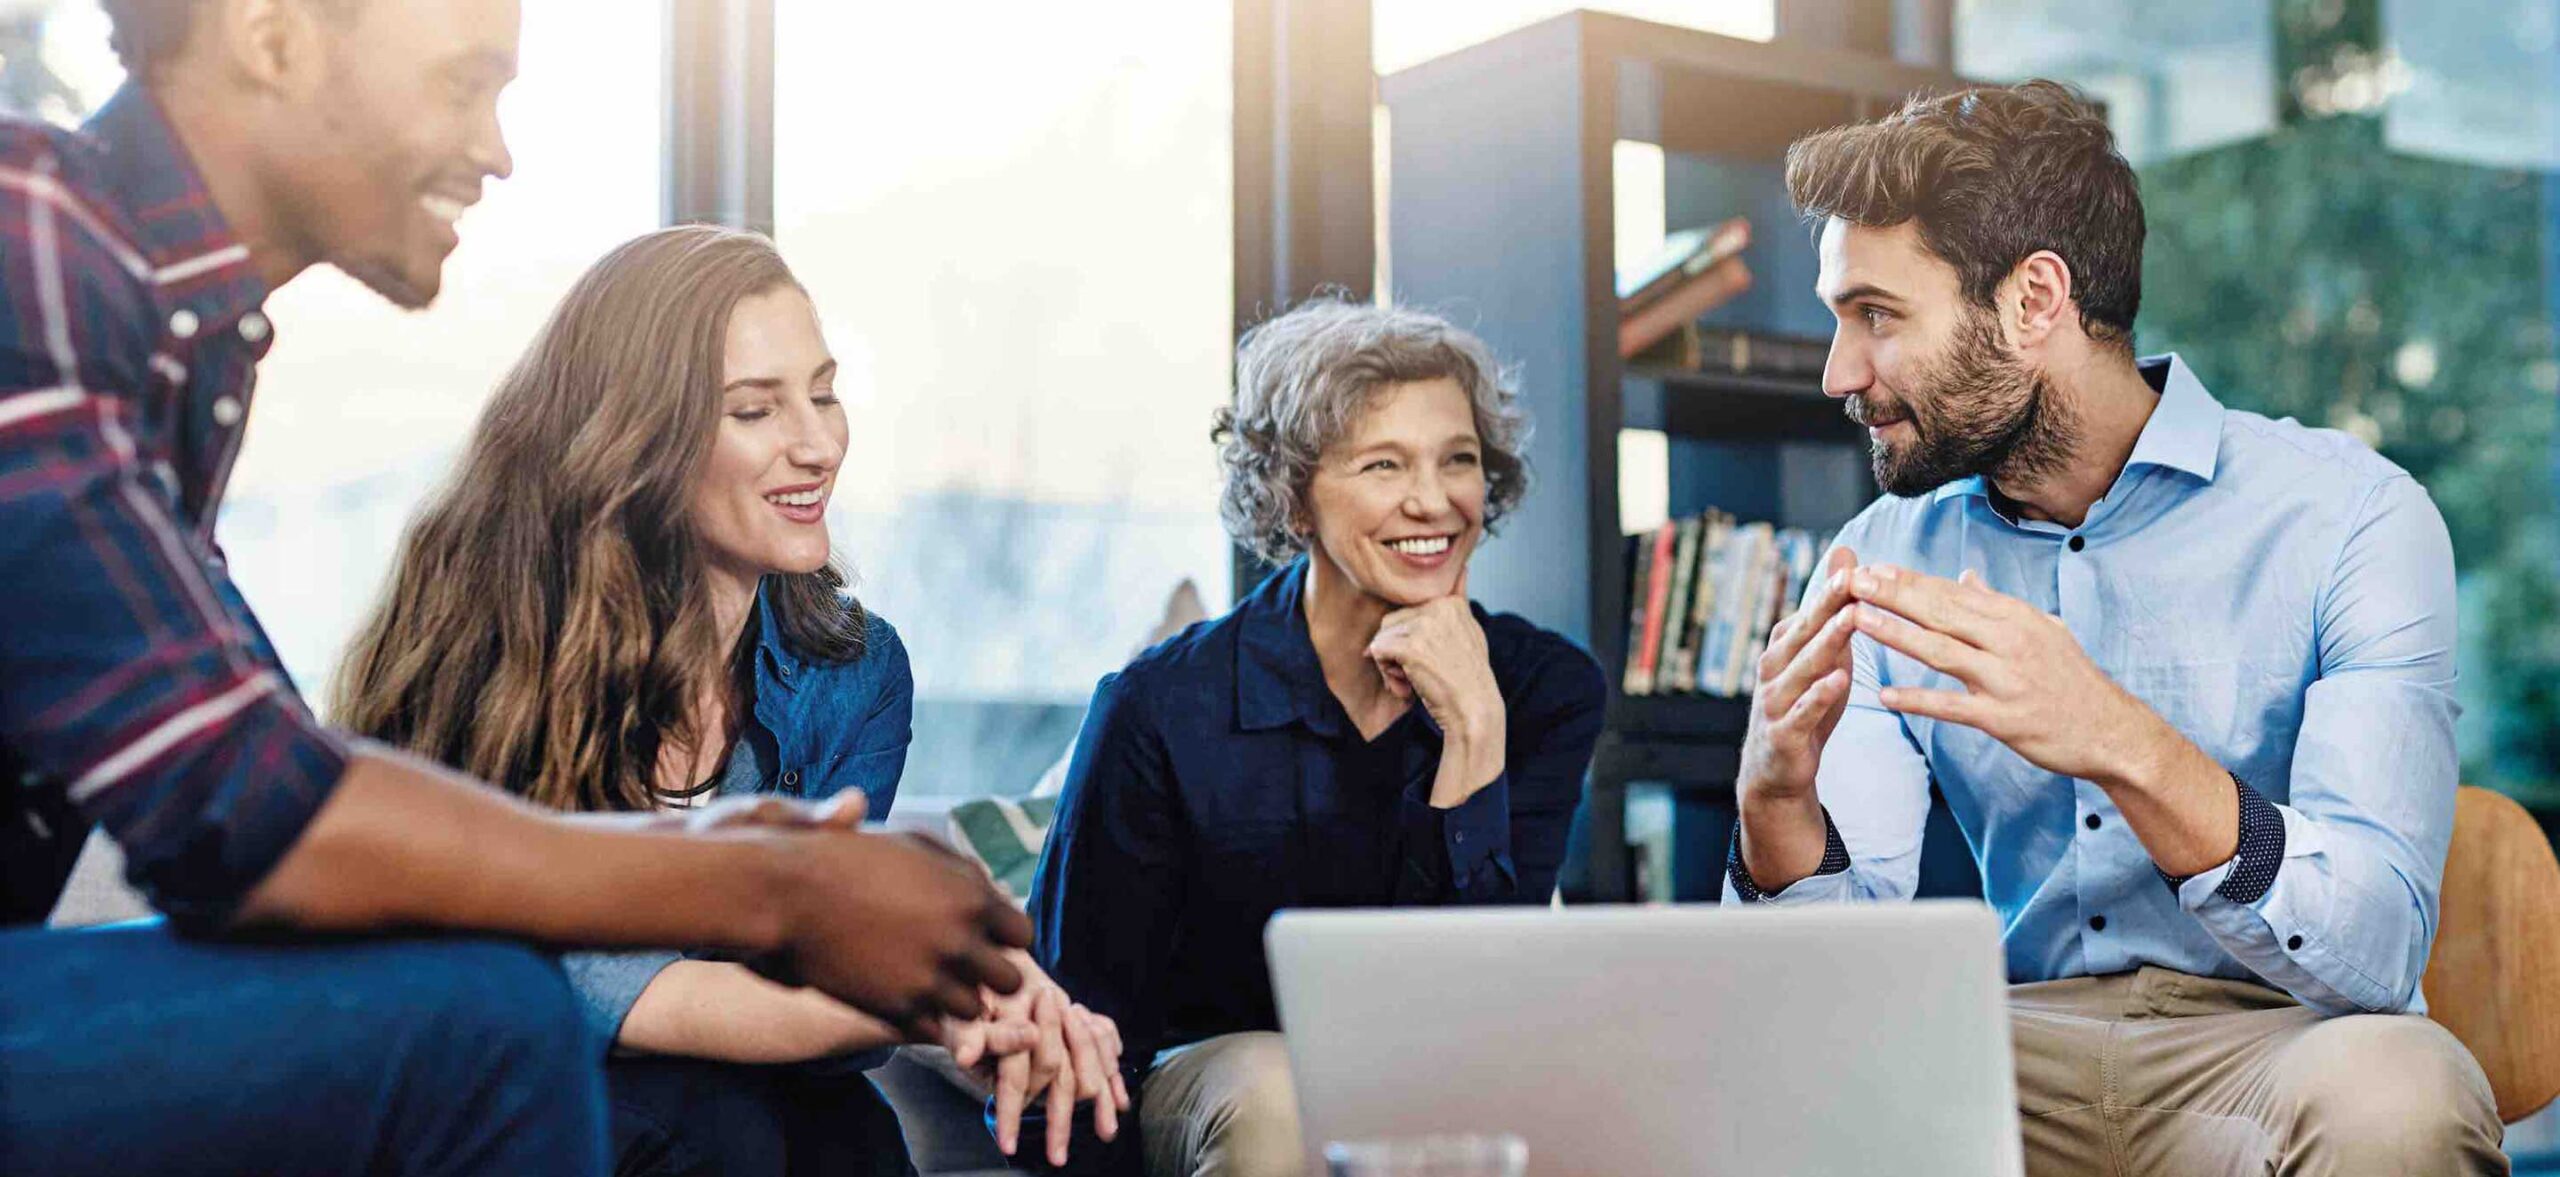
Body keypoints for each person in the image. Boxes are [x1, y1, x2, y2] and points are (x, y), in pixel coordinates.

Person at [0, 3, 1026, 1173]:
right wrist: (768, 876)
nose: (495, 151)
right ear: (270, 36)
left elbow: (250, 785)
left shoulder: (174, 338)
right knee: (491, 1022)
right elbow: (246, 815)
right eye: (460, 84)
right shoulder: (34, 242)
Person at [1726, 80, 2505, 1175]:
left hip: (2275, 1044)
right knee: (1760, 1087)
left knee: (2401, 1099)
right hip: (2008, 1049)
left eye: (1877, 315)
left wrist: (2118, 739)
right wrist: (1772, 807)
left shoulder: (2349, 517)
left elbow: (2376, 949)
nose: (1837, 373)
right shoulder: (1880, 558)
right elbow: (1824, 994)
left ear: (2034, 298)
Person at [333, 223, 1129, 1175]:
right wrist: (938, 1000)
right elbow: (582, 983)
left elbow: (816, 966)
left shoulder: (857, 673)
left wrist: (981, 987)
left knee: (844, 1136)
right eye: (755, 409)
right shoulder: (493, 640)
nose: (817, 444)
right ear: (638, 436)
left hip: (737, 1099)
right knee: (717, 1128)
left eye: (823, 395)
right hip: (497, 1081)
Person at [1031, 299, 1609, 1177]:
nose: (1434, 500)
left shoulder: (1544, 689)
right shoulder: (1160, 706)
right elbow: (1083, 1029)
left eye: (1458, 459)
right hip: (1215, 1091)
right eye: (1384, 463)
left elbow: (1482, 1011)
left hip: (1440, 1083)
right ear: (1293, 496)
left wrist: (1475, 733)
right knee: (1276, 1087)